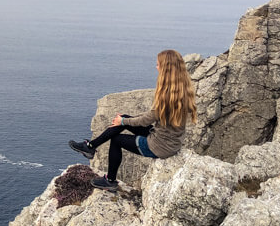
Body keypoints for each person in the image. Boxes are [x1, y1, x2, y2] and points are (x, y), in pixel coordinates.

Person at [69, 49, 197, 192]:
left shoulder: (165, 96)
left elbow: (146, 121)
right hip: (170, 141)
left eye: (158, 64)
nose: (156, 67)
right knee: (124, 118)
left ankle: (109, 180)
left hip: (159, 146)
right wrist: (124, 120)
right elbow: (153, 115)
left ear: (166, 68)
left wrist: (123, 122)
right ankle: (91, 147)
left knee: (117, 139)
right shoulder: (182, 90)